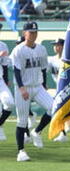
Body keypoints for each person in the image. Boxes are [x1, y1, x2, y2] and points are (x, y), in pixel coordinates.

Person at [11, 21, 53, 161]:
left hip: (38, 86)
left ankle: (37, 131)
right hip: (24, 87)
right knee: (22, 121)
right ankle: (21, 151)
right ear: (25, 33)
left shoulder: (41, 49)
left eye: (35, 32)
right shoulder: (19, 50)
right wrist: (21, 88)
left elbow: (43, 68)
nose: (33, 34)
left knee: (54, 108)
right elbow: (16, 71)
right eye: (31, 32)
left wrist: (45, 85)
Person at [0, 23, 14, 142]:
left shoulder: (3, 45)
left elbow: (4, 66)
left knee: (9, 103)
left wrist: (6, 80)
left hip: (0, 81)